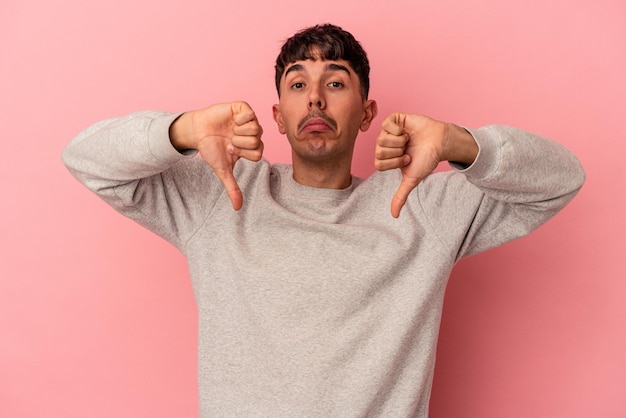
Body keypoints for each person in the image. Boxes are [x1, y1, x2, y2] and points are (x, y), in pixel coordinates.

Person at [62, 23, 585, 417]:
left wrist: (459, 143)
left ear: (366, 112)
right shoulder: (220, 194)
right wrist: (182, 130)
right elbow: (86, 158)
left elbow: (561, 179)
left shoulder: (420, 206)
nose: (314, 97)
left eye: (335, 83)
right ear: (278, 115)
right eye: (297, 84)